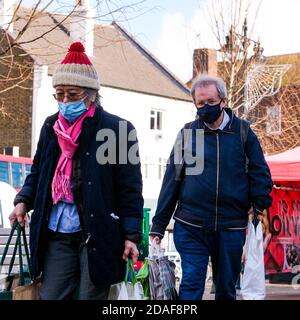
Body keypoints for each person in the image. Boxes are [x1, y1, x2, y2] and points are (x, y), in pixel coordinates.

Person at [9, 42, 144, 300]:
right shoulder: (51, 127)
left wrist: (131, 236)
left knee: (90, 296)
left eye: (72, 94)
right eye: (59, 94)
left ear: (92, 94)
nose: (65, 101)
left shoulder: (117, 131)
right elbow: (38, 171)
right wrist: (23, 200)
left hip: (98, 230)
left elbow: (130, 189)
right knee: (51, 295)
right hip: (57, 228)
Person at [149, 74, 273, 300]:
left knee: (226, 289)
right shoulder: (188, 134)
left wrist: (259, 203)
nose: (205, 107)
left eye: (211, 103)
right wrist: (159, 224)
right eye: (200, 103)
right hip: (191, 224)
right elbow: (171, 179)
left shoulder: (243, 132)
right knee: (191, 284)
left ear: (223, 101)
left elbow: (260, 172)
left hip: (230, 226)